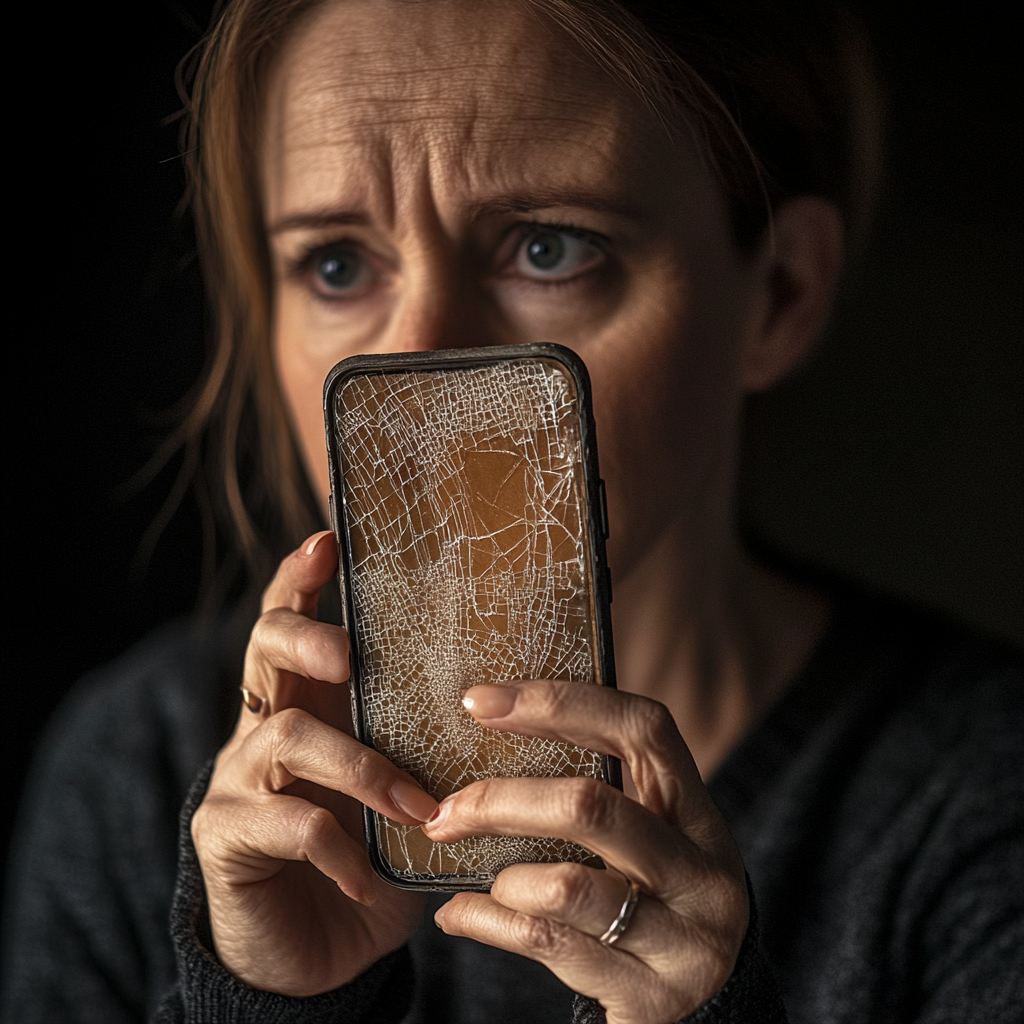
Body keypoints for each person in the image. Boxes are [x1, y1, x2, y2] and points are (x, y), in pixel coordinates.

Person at [2, 1, 1021, 1022]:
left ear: (782, 293)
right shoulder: (141, 769)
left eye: (548, 249)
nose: (420, 360)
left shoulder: (983, 796)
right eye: (336, 265)